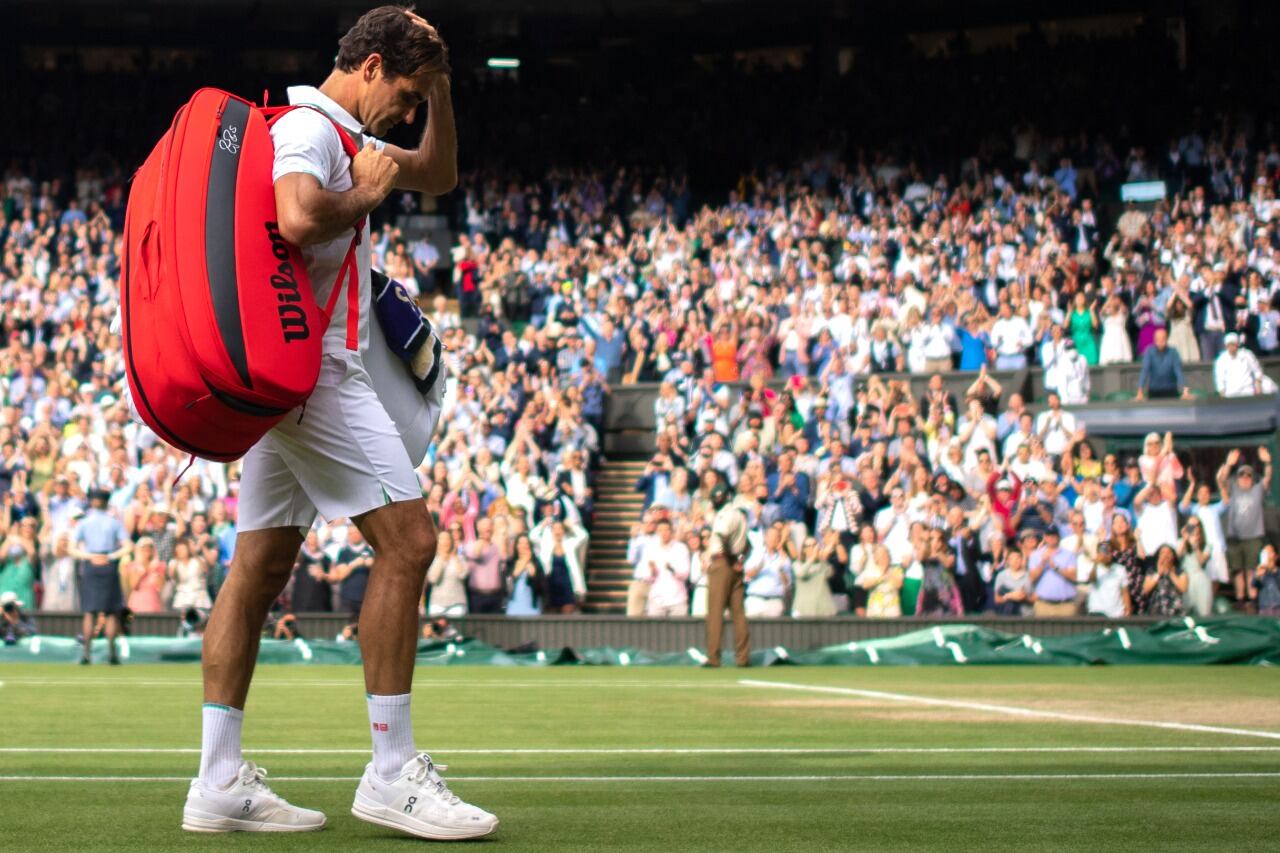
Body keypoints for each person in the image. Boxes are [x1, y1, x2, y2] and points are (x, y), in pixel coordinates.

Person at [184, 7, 497, 839]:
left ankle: (217, 780)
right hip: (317, 374)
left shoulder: (339, 126)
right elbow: (295, 215)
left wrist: (440, 88)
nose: (404, 109)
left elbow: (438, 174)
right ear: (366, 69)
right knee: (410, 543)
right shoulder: (311, 132)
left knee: (258, 564)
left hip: (291, 378)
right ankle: (392, 773)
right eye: (403, 89)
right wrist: (362, 189)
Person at [70, 488, 130, 665]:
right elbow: (128, 546)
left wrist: (90, 557)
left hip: (91, 565)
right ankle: (112, 653)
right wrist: (110, 557)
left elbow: (72, 548)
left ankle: (87, 653)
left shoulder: (84, 522)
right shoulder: (113, 522)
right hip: (108, 564)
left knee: (89, 611)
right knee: (111, 611)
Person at [1217, 448, 1272, 608]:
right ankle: (1240, 599)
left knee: (1251, 569)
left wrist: (1267, 462)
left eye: (1248, 475)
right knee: (1237, 570)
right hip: (1235, 537)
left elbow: (1268, 477)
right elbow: (1221, 479)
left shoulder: (1257, 490)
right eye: (1242, 475)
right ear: (1238, 478)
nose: (1245, 478)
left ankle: (1252, 599)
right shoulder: (1233, 489)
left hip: (1253, 537)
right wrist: (1228, 464)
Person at [704, 479, 750, 667]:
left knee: (715, 612)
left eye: (716, 498)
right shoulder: (740, 515)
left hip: (723, 563)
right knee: (738, 614)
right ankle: (743, 657)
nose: (714, 501)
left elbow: (722, 536)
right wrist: (740, 560)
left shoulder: (725, 515)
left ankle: (714, 657)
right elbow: (748, 544)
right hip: (735, 564)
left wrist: (731, 560)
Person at [1134, 329, 1189, 400]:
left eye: (1163, 339)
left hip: (1171, 390)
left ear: (1167, 339)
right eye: (1158, 339)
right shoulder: (1149, 351)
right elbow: (1145, 371)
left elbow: (1178, 371)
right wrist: (1140, 391)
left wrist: (1185, 390)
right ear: (1154, 340)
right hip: (1154, 391)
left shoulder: (1173, 352)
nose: (1160, 342)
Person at [790, 537, 835, 618]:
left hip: (823, 610)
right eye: (808, 546)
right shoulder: (797, 564)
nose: (812, 548)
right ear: (803, 549)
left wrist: (822, 558)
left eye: (814, 545)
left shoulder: (823, 564)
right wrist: (812, 558)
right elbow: (800, 573)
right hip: (803, 610)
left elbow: (830, 573)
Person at [1142, 544, 1188, 616]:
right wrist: (1159, 574)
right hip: (1156, 610)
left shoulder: (1180, 572)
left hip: (1175, 610)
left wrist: (1171, 573)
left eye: (1169, 553)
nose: (1166, 555)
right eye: (1163, 553)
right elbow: (1146, 589)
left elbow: (1183, 588)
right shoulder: (1152, 571)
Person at [1214, 333, 1265, 397]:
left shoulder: (1247, 355)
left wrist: (1258, 385)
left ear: (1237, 344)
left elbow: (1257, 371)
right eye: (1229, 345)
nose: (1231, 347)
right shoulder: (1221, 360)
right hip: (1231, 394)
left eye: (1233, 344)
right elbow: (1219, 380)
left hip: (1248, 391)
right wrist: (1223, 394)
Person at [1254, 545, 1280, 616]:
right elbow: (1254, 584)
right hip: (1265, 606)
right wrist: (1258, 576)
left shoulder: (1278, 571)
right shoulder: (1259, 570)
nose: (1267, 554)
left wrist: (1274, 571)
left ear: (1276, 556)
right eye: (1265, 552)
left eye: (1269, 552)